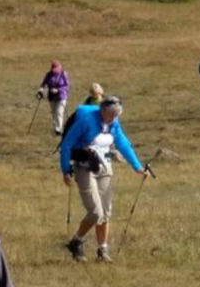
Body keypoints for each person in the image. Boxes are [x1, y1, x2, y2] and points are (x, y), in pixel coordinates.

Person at [57, 94, 146, 262]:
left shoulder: (114, 123)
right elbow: (67, 144)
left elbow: (123, 143)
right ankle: (76, 241)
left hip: (105, 167)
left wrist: (138, 166)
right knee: (95, 212)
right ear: (103, 110)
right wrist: (65, 170)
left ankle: (102, 250)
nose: (113, 119)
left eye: (116, 116)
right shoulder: (86, 121)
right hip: (84, 168)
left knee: (106, 212)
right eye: (111, 115)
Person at [37, 61, 71, 137]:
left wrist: (58, 90)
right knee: (54, 112)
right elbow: (44, 83)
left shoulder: (63, 74)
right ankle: (55, 127)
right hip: (52, 96)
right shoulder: (48, 75)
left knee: (59, 112)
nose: (54, 71)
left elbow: (67, 86)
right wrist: (41, 90)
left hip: (61, 96)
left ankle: (59, 129)